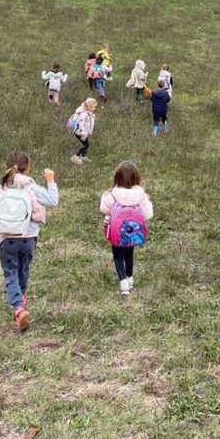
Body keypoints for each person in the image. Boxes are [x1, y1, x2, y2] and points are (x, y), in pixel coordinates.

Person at [0, 151, 59, 331]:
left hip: (6, 238)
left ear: (6, 167)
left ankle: (18, 308)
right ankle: (21, 296)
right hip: (29, 238)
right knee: (23, 268)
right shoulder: (31, 187)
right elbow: (53, 200)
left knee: (10, 272)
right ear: (28, 169)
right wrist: (50, 180)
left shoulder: (0, 189)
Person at [100, 161, 153, 297]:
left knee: (118, 255)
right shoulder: (140, 195)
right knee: (129, 254)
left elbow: (104, 209)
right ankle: (130, 278)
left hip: (117, 231)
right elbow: (147, 214)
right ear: (136, 178)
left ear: (117, 177)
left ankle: (123, 281)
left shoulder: (112, 194)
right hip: (133, 232)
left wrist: (105, 196)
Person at [70, 97, 98, 164]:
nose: (94, 109)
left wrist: (88, 132)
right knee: (85, 145)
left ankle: (82, 156)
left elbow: (89, 123)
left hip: (84, 132)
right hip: (80, 132)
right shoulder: (83, 114)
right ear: (89, 106)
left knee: (86, 144)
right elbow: (81, 124)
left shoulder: (88, 113)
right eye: (93, 107)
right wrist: (83, 133)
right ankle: (75, 156)